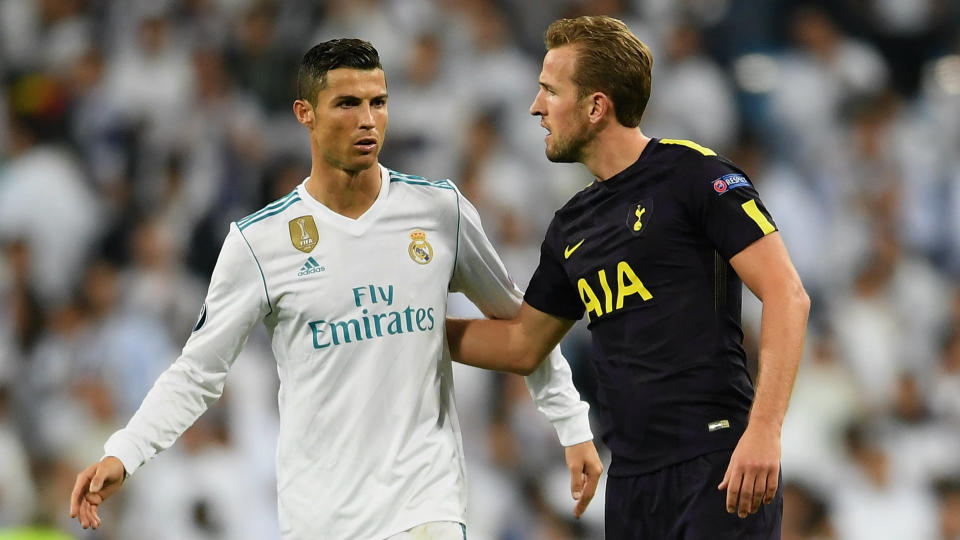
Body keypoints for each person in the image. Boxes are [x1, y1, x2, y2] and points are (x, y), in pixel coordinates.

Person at [69, 39, 602, 540]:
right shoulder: (260, 242)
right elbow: (198, 372)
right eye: (347, 103)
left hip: (425, 502)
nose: (368, 120)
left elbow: (523, 324)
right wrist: (126, 451)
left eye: (378, 102)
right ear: (306, 114)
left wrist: (571, 425)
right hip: (321, 514)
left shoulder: (440, 212)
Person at [447, 16, 810, 539]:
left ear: (596, 107)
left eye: (550, 90)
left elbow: (787, 295)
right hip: (632, 483)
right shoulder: (571, 224)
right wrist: (413, 327)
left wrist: (765, 430)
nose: (536, 106)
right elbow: (521, 345)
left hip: (716, 463)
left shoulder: (693, 175)